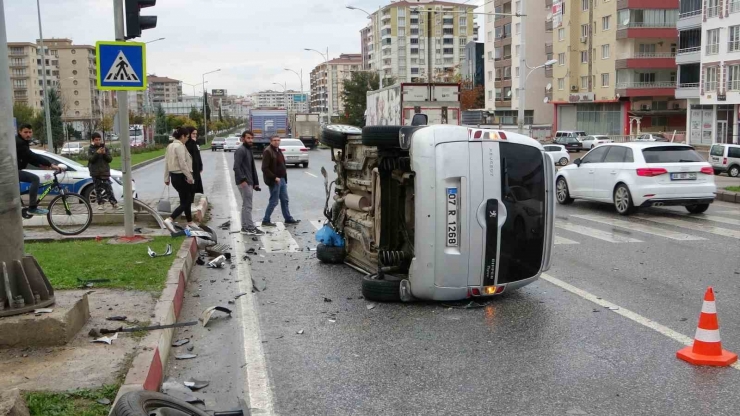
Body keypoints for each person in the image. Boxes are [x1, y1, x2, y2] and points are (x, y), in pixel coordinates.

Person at [16, 124, 56, 215]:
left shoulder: (22, 142)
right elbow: (32, 156)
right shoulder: (20, 142)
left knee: (15, 194)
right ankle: (32, 208)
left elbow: (27, 158)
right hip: (12, 172)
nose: (28, 134)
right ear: (20, 132)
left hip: (14, 170)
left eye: (30, 132)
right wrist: (50, 164)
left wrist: (41, 165)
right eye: (25, 132)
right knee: (35, 179)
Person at [261, 135, 300, 227]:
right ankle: (266, 220)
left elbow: (282, 164)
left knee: (285, 200)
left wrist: (283, 177)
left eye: (278, 140)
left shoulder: (278, 150)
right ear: (271, 141)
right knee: (274, 201)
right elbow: (264, 168)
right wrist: (274, 177)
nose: (277, 142)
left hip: (282, 179)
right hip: (275, 180)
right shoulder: (268, 151)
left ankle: (288, 219)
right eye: (274, 140)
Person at [163, 127, 196, 232]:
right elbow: (183, 163)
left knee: (184, 199)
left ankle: (190, 221)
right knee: (187, 201)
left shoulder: (170, 146)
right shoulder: (180, 146)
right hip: (182, 176)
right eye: (186, 137)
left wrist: (166, 177)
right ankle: (170, 219)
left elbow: (167, 163)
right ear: (182, 136)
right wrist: (190, 177)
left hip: (174, 177)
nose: (187, 139)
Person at [233, 130, 265, 236]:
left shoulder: (249, 150)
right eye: (248, 138)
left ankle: (245, 227)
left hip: (249, 181)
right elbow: (236, 167)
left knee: (245, 205)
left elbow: (252, 168)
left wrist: (256, 183)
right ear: (243, 139)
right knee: (248, 205)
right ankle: (250, 228)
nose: (250, 140)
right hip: (244, 182)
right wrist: (242, 180)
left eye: (252, 138)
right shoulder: (240, 150)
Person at [87, 132, 118, 211]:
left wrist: (104, 154)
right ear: (93, 140)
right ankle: (100, 204)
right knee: (98, 189)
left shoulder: (105, 148)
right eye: (96, 140)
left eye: (99, 140)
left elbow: (110, 159)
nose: (98, 141)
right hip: (95, 172)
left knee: (108, 188)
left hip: (104, 172)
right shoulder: (91, 149)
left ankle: (114, 203)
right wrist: (97, 153)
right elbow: (91, 160)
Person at [184, 126, 204, 194]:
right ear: (189, 134)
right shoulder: (187, 143)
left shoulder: (196, 142)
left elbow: (198, 155)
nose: (195, 135)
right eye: (193, 133)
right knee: (192, 185)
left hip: (196, 167)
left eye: (196, 134)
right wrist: (193, 142)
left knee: (197, 184)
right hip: (190, 168)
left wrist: (200, 165)